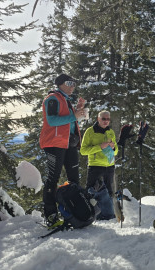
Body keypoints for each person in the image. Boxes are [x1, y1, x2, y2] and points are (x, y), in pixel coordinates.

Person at [40, 73, 86, 227]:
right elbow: (52, 120)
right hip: (54, 144)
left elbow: (69, 123)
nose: (73, 86)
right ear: (60, 84)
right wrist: (74, 115)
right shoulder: (52, 98)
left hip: (69, 144)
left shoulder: (66, 100)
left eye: (74, 83)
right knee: (53, 179)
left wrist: (77, 110)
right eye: (69, 83)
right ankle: (51, 215)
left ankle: (77, 212)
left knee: (74, 179)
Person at [80, 111, 118, 220]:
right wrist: (99, 147)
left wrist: (113, 148)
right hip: (95, 166)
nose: (106, 121)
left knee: (109, 191)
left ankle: (108, 215)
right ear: (98, 119)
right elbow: (83, 151)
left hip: (110, 165)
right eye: (103, 119)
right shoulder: (90, 132)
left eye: (108, 119)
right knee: (91, 191)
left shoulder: (110, 132)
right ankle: (90, 215)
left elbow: (116, 151)